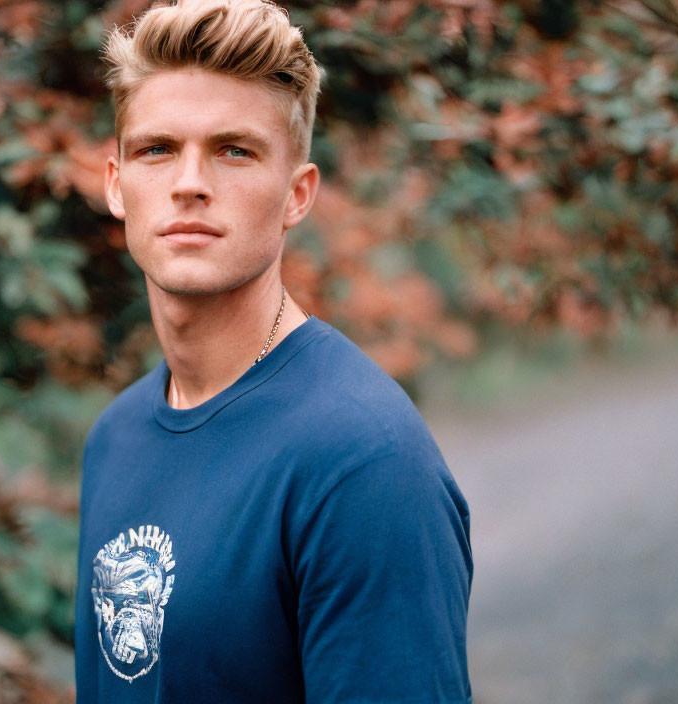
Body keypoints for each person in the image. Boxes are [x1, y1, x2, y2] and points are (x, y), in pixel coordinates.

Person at [74, 1, 473, 701]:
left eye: (235, 150)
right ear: (116, 184)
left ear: (297, 195)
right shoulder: (117, 437)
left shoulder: (363, 462)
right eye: (157, 148)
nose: (189, 182)